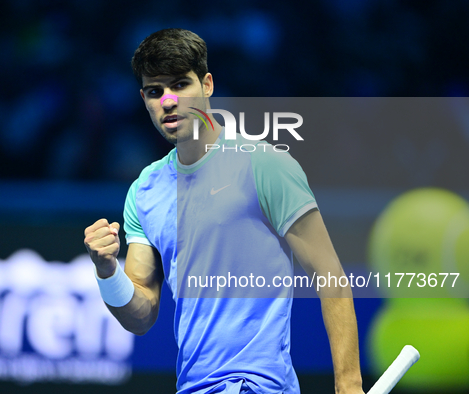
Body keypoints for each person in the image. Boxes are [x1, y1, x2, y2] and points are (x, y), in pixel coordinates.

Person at [84, 28, 364, 394]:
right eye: (155, 91)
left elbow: (330, 275)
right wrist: (107, 272)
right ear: (144, 99)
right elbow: (141, 315)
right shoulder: (144, 191)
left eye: (181, 85)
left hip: (260, 386)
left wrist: (349, 385)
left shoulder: (265, 165)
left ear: (208, 84)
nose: (168, 101)